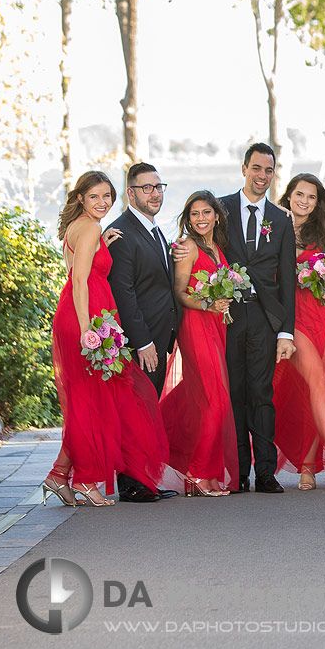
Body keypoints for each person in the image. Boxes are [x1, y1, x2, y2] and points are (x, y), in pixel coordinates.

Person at [42, 171, 168, 507]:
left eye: (107, 196)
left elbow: (82, 268)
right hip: (85, 319)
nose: (103, 203)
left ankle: (58, 476)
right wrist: (88, 331)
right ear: (81, 198)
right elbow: (81, 281)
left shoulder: (82, 228)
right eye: (95, 196)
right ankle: (84, 480)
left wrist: (103, 247)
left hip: (86, 315)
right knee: (92, 401)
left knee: (91, 398)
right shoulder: (91, 227)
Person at [271, 174, 325, 489]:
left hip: (320, 313)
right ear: (289, 195)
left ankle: (308, 467)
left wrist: (323, 280)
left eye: (311, 197)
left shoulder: (323, 233)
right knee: (317, 381)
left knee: (312, 389)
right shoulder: (273, 225)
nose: (305, 201)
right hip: (290, 316)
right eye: (300, 194)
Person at [219, 142, 296, 494]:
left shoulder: (280, 219)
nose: (262, 176)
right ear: (244, 168)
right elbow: (201, 247)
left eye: (268, 170)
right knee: (234, 393)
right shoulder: (221, 209)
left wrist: (286, 332)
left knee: (262, 394)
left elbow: (287, 281)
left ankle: (266, 472)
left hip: (265, 318)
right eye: (256, 168)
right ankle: (238, 472)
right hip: (228, 317)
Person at [104, 161, 180, 503]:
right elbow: (124, 292)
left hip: (161, 336)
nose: (155, 194)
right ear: (131, 192)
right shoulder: (122, 233)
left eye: (159, 187)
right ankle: (132, 483)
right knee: (135, 412)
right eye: (147, 188)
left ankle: (144, 479)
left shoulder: (155, 230)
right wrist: (143, 341)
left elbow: (158, 285)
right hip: (142, 341)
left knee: (148, 411)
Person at [162, 191, 239, 497]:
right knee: (216, 399)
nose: (201, 219)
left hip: (216, 325)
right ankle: (196, 472)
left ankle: (201, 472)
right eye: (195, 214)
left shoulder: (218, 248)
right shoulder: (187, 246)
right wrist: (207, 304)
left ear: (216, 216)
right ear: (188, 218)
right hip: (195, 324)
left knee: (201, 397)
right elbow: (179, 292)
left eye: (206, 212)